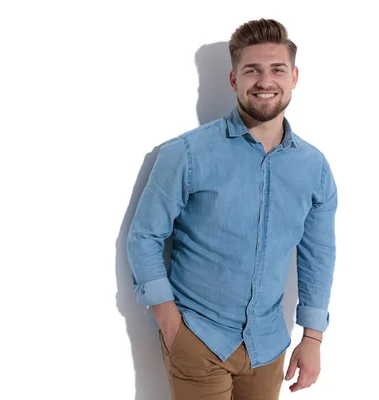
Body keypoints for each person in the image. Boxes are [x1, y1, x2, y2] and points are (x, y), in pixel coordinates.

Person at [127, 18, 337, 400]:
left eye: (277, 69)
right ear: (233, 80)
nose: (265, 81)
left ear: (294, 77)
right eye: (251, 70)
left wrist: (312, 337)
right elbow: (144, 236)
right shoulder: (186, 154)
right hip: (200, 338)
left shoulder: (314, 167)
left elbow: (318, 255)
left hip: (269, 345)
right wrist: (171, 324)